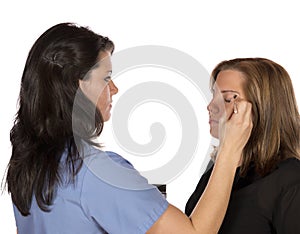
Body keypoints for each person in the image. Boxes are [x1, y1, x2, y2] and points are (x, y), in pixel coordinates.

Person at [6, 23, 252, 234]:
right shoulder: (97, 172)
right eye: (106, 78)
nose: (114, 88)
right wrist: (229, 151)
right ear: (78, 87)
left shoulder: (30, 166)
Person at [185, 58, 300, 234]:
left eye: (228, 98)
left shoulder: (290, 179)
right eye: (213, 96)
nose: (210, 106)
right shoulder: (218, 172)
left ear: (263, 107)